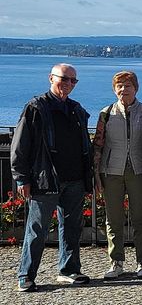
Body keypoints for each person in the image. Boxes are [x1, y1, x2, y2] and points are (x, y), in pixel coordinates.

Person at [12, 63, 93, 292]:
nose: (68, 84)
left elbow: (84, 145)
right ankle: (25, 275)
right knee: (37, 229)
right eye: (64, 79)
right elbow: (19, 146)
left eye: (72, 81)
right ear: (51, 78)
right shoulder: (35, 108)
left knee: (72, 228)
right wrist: (21, 178)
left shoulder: (77, 110)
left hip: (74, 178)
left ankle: (68, 270)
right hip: (44, 179)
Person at [92, 70, 142, 280]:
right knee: (113, 219)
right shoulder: (106, 113)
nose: (123, 90)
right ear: (114, 89)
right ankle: (116, 262)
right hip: (111, 172)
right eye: (119, 86)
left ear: (136, 88)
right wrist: (97, 175)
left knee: (140, 218)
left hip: (139, 171)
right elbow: (98, 146)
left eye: (128, 86)